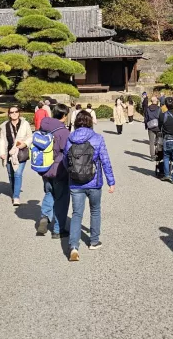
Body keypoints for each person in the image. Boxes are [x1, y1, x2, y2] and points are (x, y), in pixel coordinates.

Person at [66, 110, 116, 262]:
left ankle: (74, 246)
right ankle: (94, 241)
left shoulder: (70, 139)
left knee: (76, 214)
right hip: (94, 181)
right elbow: (105, 161)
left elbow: (64, 160)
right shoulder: (97, 138)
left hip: (75, 182)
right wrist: (111, 181)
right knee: (95, 211)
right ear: (90, 122)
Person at [37, 103, 71, 239]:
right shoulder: (63, 132)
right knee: (62, 198)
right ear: (64, 116)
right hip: (59, 170)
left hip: (44, 167)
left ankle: (45, 216)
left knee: (49, 192)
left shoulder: (44, 127)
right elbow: (67, 151)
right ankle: (58, 229)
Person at [0, 106, 32, 206]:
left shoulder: (25, 124)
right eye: (11, 112)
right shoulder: (4, 126)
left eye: (16, 111)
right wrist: (2, 153)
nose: (14, 113)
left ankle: (16, 196)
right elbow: (2, 140)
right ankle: (14, 191)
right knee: (10, 174)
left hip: (20, 152)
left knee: (17, 173)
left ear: (19, 113)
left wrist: (25, 144)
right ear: (9, 114)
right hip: (9, 152)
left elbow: (30, 136)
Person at [143, 97, 162, 164]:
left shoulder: (148, 109)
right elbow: (161, 118)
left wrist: (146, 126)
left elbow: (146, 118)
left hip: (150, 126)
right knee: (159, 141)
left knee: (151, 142)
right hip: (158, 127)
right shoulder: (159, 109)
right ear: (156, 101)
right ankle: (158, 154)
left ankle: (152, 156)